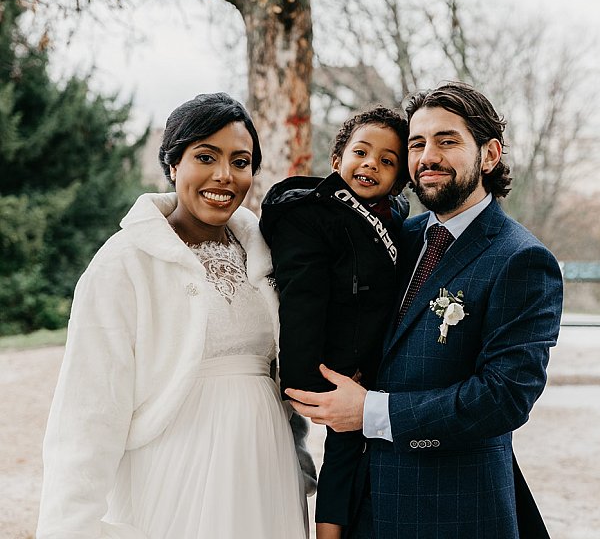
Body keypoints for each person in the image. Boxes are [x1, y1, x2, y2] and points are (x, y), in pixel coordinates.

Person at [286, 82, 563, 539]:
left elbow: (504, 397)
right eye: (417, 144)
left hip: (454, 514)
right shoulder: (396, 238)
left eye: (447, 141)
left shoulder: (521, 260)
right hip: (365, 510)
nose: (427, 156)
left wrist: (373, 412)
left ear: (489, 155)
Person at [37, 92, 312, 539]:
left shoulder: (271, 258)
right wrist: (70, 526)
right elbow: (86, 410)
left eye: (241, 162)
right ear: (173, 165)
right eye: (206, 156)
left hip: (268, 473)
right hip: (175, 477)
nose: (224, 175)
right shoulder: (123, 263)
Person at [260, 106, 410, 539]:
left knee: (363, 458)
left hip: (383, 362)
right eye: (361, 152)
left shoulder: (394, 220)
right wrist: (309, 381)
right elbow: (302, 299)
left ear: (399, 180)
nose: (370, 164)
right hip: (340, 367)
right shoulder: (315, 214)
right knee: (343, 453)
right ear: (337, 159)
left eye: (387, 161)